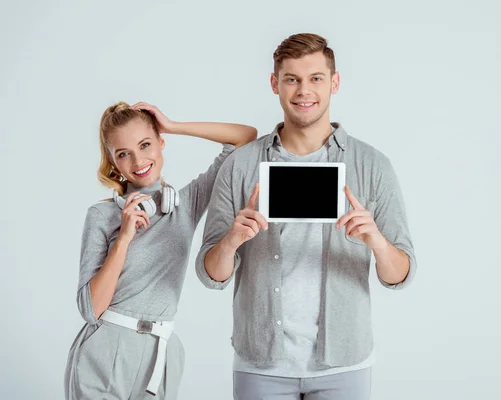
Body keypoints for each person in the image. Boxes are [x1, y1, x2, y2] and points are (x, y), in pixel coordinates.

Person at [196, 33, 417, 399]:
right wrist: (232, 240)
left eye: (315, 78)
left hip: (345, 362)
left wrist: (376, 240)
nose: (304, 91)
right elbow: (210, 276)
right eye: (292, 79)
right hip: (260, 364)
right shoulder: (241, 165)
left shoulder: (373, 166)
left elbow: (401, 276)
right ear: (275, 84)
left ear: (335, 82)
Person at [64, 101, 257, 399]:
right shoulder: (101, 216)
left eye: (145, 144)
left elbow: (245, 137)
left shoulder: (184, 204)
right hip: (105, 349)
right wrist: (124, 238)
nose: (138, 160)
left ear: (161, 143)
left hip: (162, 353)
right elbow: (90, 310)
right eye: (123, 154)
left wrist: (173, 125)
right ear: (114, 162)